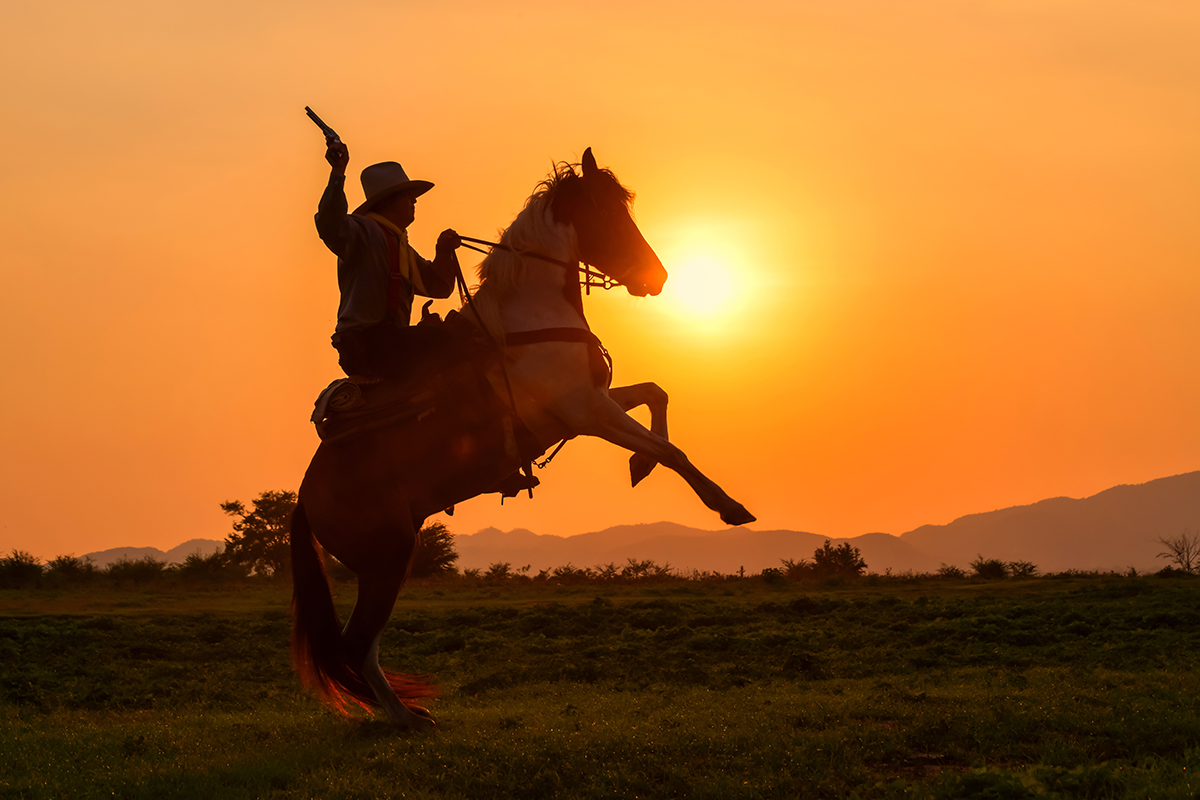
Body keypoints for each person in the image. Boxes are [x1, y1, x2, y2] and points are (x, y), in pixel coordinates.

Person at [315, 138, 462, 379]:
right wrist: (338, 173)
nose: (414, 200)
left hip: (388, 342)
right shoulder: (363, 231)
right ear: (387, 201)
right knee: (450, 342)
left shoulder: (401, 247)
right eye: (407, 196)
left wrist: (443, 252)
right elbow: (330, 225)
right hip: (365, 343)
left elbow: (439, 286)